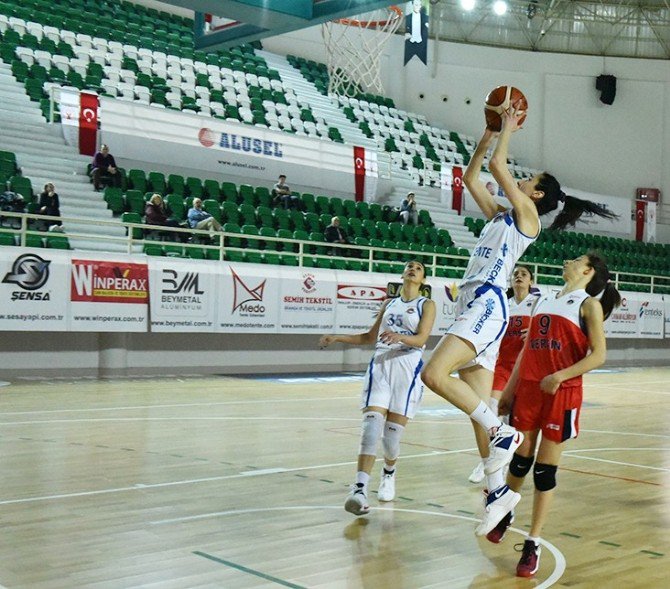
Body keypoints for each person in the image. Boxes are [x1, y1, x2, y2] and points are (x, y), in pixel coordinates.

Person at [420, 103, 619, 538]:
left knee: (433, 374)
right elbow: (473, 175)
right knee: (477, 411)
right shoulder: (501, 216)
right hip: (474, 303)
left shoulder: (528, 219)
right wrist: (488, 133)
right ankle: (497, 494)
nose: (522, 180)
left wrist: (506, 129)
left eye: (529, 181)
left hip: (487, 303)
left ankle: (502, 435)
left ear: (538, 195)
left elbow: (495, 166)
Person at [488, 253, 620, 578]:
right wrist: (509, 391)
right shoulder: (542, 299)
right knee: (520, 460)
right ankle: (505, 512)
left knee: (544, 472)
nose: (568, 261)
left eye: (575, 260)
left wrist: (560, 376)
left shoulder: (587, 305)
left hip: (562, 393)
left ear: (587, 271)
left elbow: (599, 356)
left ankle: (533, 542)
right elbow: (525, 350)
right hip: (530, 389)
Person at [319, 261, 436, 516]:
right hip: (381, 365)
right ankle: (359, 489)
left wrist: (400, 337)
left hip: (407, 367)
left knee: (391, 439)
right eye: (409, 266)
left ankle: (389, 472)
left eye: (418, 268)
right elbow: (369, 338)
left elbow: (422, 339)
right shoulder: (389, 303)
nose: (412, 269)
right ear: (403, 274)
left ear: (423, 279)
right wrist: (337, 337)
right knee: (371, 425)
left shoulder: (426, 305)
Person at [469, 265, 540, 484]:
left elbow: (548, 327)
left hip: (526, 368)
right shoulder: (504, 305)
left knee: (515, 419)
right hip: (502, 365)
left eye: (524, 274)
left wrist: (535, 330)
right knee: (491, 410)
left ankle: (507, 458)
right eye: (515, 274)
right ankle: (487, 459)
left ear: (531, 281)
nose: (519, 276)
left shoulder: (538, 303)